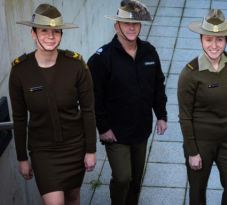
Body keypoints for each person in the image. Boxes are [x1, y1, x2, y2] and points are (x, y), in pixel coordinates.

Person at [9, 4, 97, 205]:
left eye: (56, 31)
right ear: (33, 34)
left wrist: (90, 150)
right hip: (43, 150)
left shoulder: (76, 66)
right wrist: (22, 158)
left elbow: (88, 110)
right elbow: (20, 118)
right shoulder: (20, 71)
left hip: (75, 145)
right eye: (44, 31)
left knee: (73, 196)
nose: (51, 36)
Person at [87, 0, 167, 204]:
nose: (131, 28)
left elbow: (158, 85)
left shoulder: (149, 52)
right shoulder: (102, 58)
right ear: (116, 26)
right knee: (123, 177)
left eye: (136, 24)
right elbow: (94, 97)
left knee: (136, 180)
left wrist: (161, 115)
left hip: (141, 128)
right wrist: (103, 128)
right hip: (116, 132)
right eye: (126, 24)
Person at [178, 9, 227, 205]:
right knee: (198, 191)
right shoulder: (190, 74)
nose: (214, 45)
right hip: (200, 141)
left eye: (219, 40)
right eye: (209, 39)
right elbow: (184, 117)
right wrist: (192, 152)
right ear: (200, 40)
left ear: (226, 40)